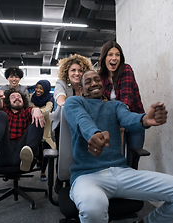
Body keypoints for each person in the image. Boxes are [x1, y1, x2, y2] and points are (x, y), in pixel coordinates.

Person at [64, 70, 173, 223]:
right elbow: (81, 119)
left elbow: (128, 118)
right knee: (93, 208)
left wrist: (144, 120)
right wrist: (94, 134)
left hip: (121, 172)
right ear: (82, 89)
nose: (94, 83)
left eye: (97, 79)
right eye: (88, 81)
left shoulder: (115, 105)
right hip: (87, 176)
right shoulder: (74, 102)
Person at [51, 54, 93, 192]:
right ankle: (60, 176)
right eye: (73, 70)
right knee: (64, 153)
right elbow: (60, 98)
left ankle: (75, 179)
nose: (77, 73)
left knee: (78, 152)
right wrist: (68, 104)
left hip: (81, 124)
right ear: (67, 73)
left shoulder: (87, 85)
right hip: (62, 125)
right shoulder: (61, 83)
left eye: (80, 70)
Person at [0, 88, 45, 172]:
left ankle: (29, 154)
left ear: (23, 100)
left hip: (21, 154)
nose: (16, 98)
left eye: (19, 96)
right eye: (13, 97)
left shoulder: (26, 112)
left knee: (37, 119)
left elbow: (32, 111)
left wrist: (36, 110)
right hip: (3, 152)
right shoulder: (4, 111)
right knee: (0, 114)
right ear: (8, 102)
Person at [98, 41, 145, 158]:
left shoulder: (126, 70)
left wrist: (123, 121)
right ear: (104, 57)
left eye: (117, 55)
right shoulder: (100, 77)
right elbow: (102, 102)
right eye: (110, 54)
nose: (114, 58)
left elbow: (126, 98)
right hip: (115, 124)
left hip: (133, 120)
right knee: (117, 159)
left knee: (132, 160)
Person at [29, 80, 56, 181]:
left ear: (46, 89)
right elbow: (28, 107)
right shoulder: (31, 96)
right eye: (37, 87)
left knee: (46, 148)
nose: (38, 90)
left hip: (45, 125)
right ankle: (38, 160)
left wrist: (36, 111)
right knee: (35, 148)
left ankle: (43, 172)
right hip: (33, 125)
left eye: (41, 88)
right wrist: (33, 110)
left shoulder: (49, 97)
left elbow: (48, 110)